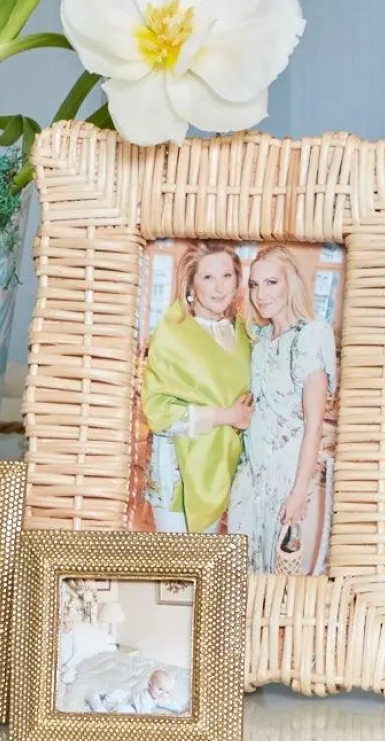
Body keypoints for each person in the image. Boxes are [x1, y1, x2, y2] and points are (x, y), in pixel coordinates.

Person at [230, 246, 338, 574]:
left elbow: (314, 426)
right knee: (238, 569)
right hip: (251, 470)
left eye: (271, 282)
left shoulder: (312, 335)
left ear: (290, 282)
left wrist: (298, 491)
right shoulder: (259, 338)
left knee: (276, 573)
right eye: (254, 284)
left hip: (285, 473)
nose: (261, 294)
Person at [140, 244, 255, 533]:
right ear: (191, 283)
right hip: (177, 470)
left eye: (227, 276)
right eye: (208, 278)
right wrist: (224, 416)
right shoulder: (173, 332)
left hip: (221, 469)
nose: (219, 288)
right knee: (175, 568)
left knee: (205, 569)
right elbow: (159, 414)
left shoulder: (244, 332)